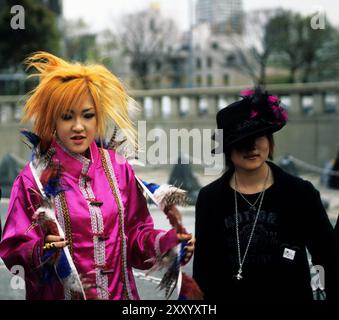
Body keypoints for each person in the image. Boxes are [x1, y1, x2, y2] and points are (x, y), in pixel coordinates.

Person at [0, 52, 194, 300]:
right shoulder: (33, 179)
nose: (79, 126)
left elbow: (135, 236)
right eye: (67, 116)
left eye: (87, 115)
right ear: (53, 121)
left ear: (98, 118)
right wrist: (42, 250)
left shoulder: (118, 167)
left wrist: (168, 243)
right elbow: (13, 247)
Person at [193, 88, 338, 300]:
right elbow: (204, 269)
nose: (251, 147)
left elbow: (328, 257)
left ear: (269, 141)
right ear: (227, 148)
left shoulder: (300, 193)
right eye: (241, 140)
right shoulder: (210, 199)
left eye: (257, 137)